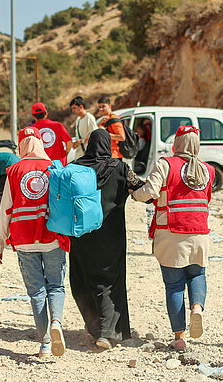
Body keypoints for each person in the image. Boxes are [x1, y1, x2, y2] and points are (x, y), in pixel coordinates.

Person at [130, 125, 215, 351]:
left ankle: (180, 337)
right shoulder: (208, 170)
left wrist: (134, 195)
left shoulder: (166, 164)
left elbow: (150, 192)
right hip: (199, 233)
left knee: (174, 286)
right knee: (197, 273)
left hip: (171, 234)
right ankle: (197, 308)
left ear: (176, 143)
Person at [0, 127, 70, 357]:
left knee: (36, 292)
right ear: (40, 143)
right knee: (55, 285)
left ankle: (45, 343)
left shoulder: (14, 170)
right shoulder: (54, 168)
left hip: (24, 239)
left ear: (21, 145)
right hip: (51, 237)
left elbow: (5, 209)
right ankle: (56, 322)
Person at [70, 129, 144, 350]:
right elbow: (141, 189)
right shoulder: (119, 167)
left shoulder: (75, 167)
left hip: (80, 235)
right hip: (111, 236)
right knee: (109, 281)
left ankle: (94, 327)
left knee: (82, 279)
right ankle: (107, 333)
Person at [31, 102, 72, 166]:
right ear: (46, 114)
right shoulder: (57, 125)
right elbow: (69, 142)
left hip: (41, 167)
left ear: (33, 116)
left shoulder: (31, 130)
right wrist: (64, 155)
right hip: (59, 165)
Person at [70, 96, 98, 160]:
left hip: (88, 155)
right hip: (80, 155)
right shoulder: (78, 120)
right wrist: (75, 144)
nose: (73, 110)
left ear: (81, 107)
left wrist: (81, 141)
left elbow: (95, 136)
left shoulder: (89, 117)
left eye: (74, 108)